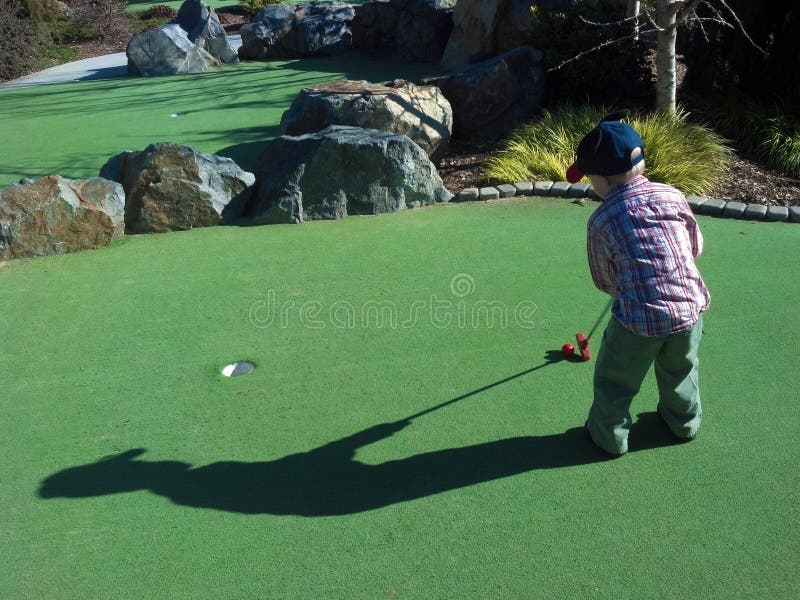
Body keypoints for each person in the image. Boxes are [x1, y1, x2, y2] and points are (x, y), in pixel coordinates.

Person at [565, 111, 711, 456]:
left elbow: (604, 279)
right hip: (690, 309)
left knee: (616, 380)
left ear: (602, 180)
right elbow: (694, 247)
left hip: (637, 321)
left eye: (589, 179)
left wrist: (628, 286)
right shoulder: (672, 196)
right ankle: (684, 424)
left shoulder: (601, 220)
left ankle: (609, 437)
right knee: (681, 370)